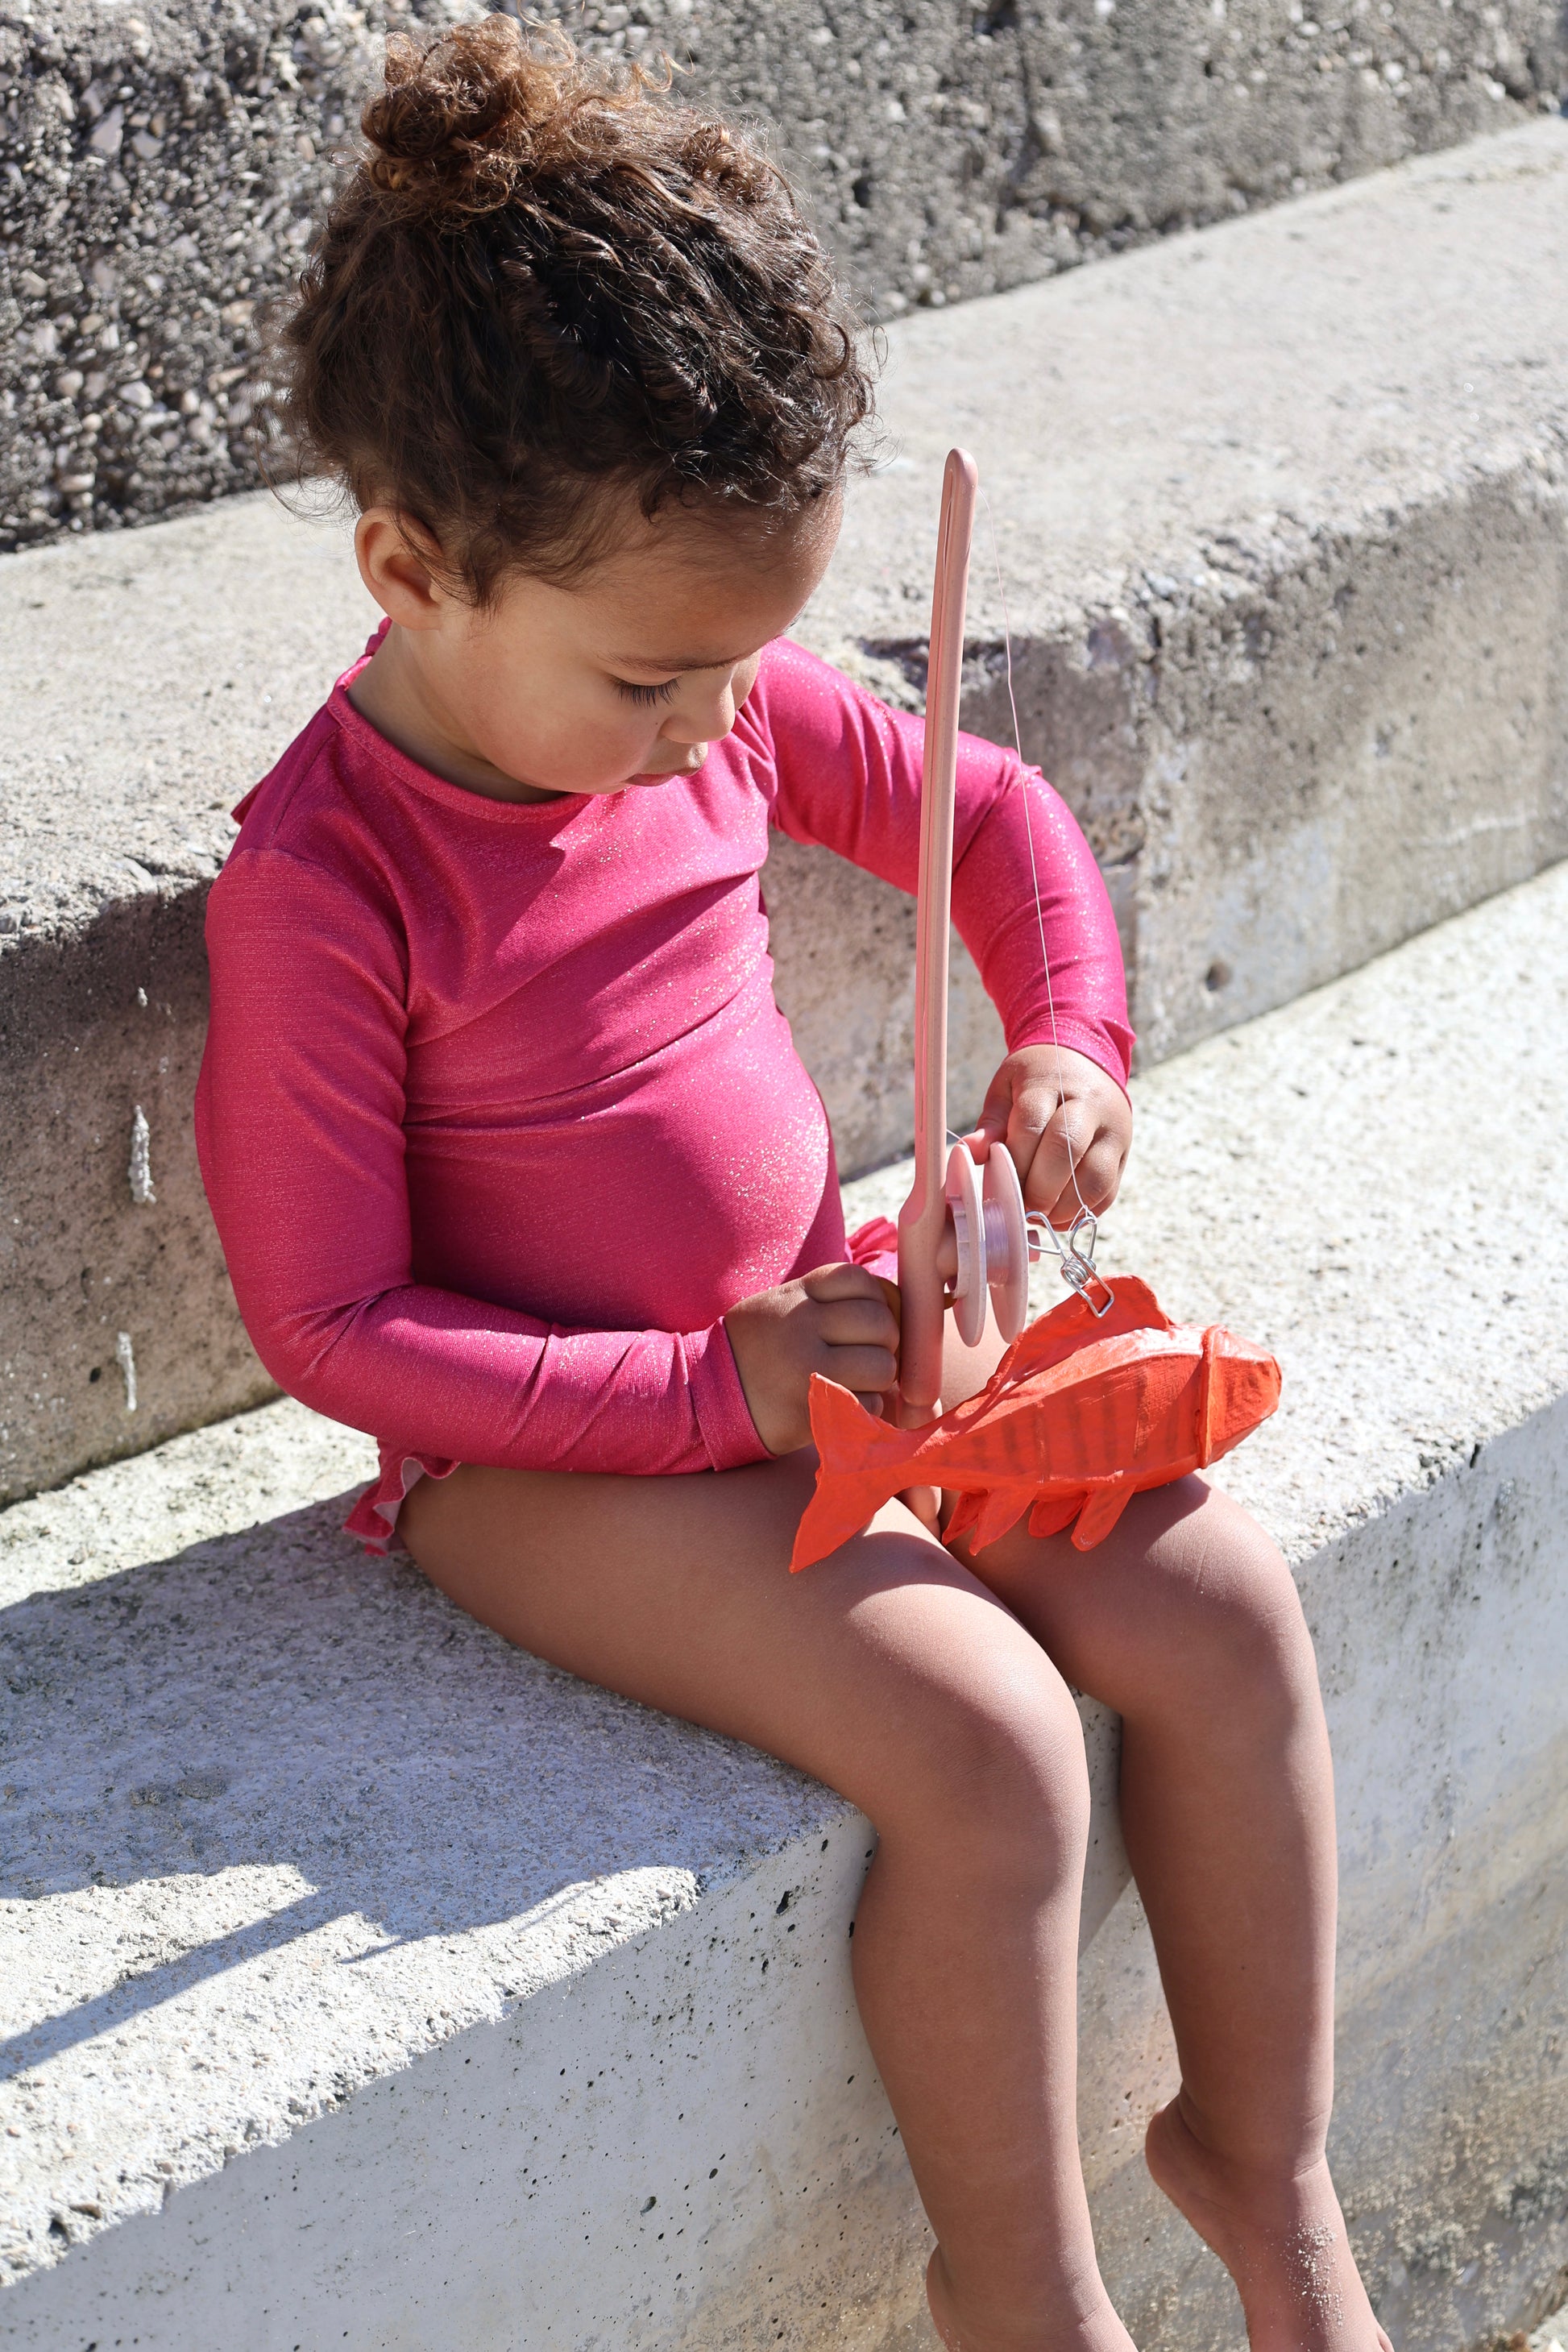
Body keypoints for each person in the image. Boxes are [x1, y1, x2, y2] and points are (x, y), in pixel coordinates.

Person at [196, 22, 1390, 2351]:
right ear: (413, 571)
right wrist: (703, 1396)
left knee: (1221, 1607)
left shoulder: (707, 691)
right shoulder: (324, 886)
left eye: (743, 667)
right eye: (656, 680)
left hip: (828, 1344)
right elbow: (327, 1331)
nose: (719, 729)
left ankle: (1264, 2175)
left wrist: (1066, 1035)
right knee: (988, 1746)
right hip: (544, 1452)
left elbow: (989, 815)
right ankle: (1019, 2293)